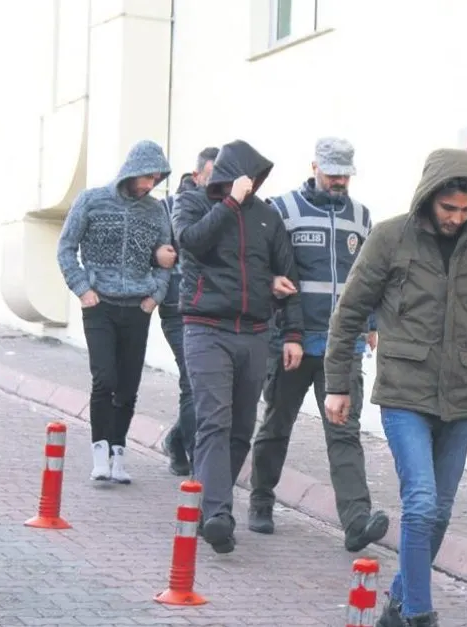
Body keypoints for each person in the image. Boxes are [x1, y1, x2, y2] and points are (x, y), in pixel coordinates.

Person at [322, 148, 467, 627]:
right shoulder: (390, 238)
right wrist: (337, 385)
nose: (456, 218)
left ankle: (397, 605)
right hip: (404, 392)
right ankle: (419, 615)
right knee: (421, 503)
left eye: (466, 209)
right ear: (428, 197)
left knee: (440, 513)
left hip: (462, 396)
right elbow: (348, 313)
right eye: (448, 208)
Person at [248, 137, 389, 550]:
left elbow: (369, 277)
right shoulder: (283, 210)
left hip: (342, 348)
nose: (339, 181)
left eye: (345, 175)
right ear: (314, 167)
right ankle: (260, 499)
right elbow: (260, 264)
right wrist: (271, 286)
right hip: (291, 343)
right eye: (332, 174)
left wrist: (372, 322)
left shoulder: (361, 217)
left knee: (344, 433)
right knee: (277, 426)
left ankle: (356, 521)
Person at [173, 139, 304, 554]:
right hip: (205, 328)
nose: (256, 184)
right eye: (251, 177)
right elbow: (191, 242)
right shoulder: (192, 203)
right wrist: (230, 203)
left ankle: (206, 506)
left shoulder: (267, 217)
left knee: (242, 429)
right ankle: (219, 514)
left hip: (255, 332)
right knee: (215, 420)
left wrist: (293, 333)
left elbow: (286, 274)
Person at [56, 139, 174, 484]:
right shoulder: (91, 201)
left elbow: (166, 258)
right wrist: (82, 288)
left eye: (156, 179)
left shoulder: (156, 211)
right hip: (100, 306)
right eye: (147, 177)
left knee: (128, 385)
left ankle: (118, 454)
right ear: (132, 171)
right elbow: (66, 247)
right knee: (104, 378)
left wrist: (155, 296)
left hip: (137, 307)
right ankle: (99, 452)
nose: (151, 184)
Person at [159, 146, 218, 476]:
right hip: (178, 308)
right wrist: (156, 255)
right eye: (212, 177)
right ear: (197, 176)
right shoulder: (169, 207)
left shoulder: (228, 208)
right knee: (193, 380)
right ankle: (200, 462)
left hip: (215, 308)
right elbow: (151, 249)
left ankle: (176, 438)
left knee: (207, 384)